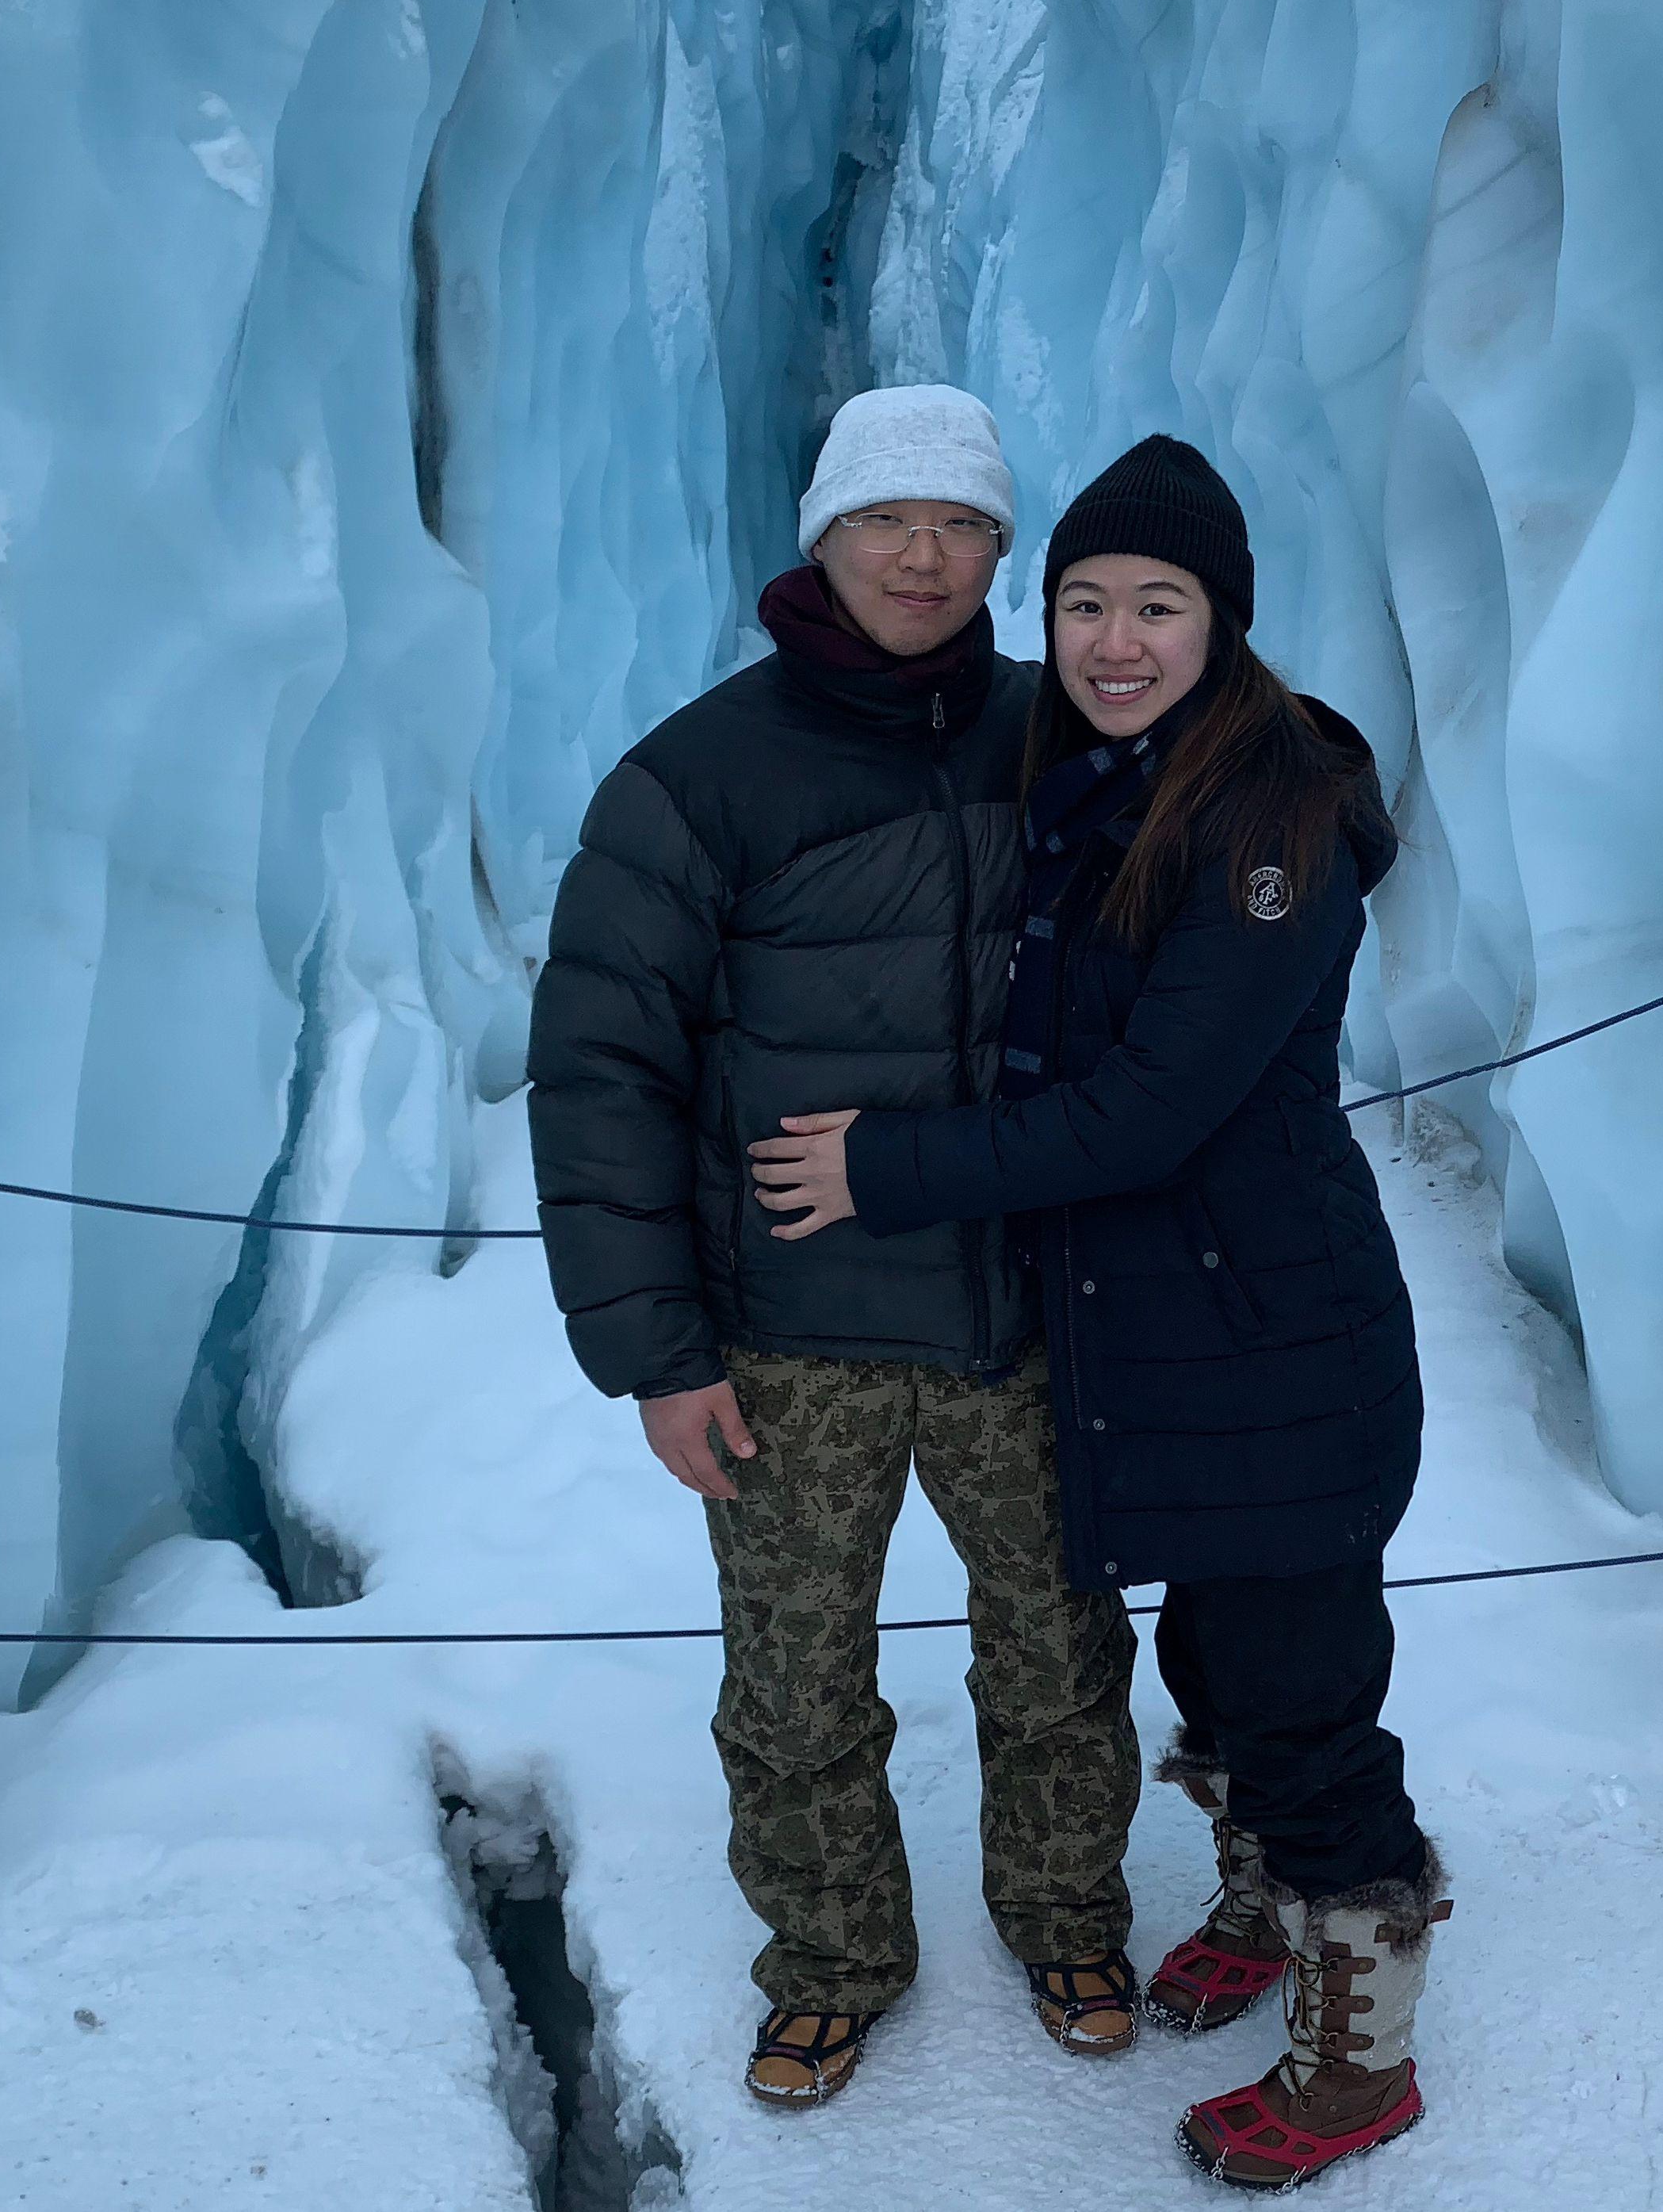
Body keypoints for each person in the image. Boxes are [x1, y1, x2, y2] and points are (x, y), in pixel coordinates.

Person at [748, 434, 1448, 2192]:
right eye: (1083, 603)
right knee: (1218, 1660)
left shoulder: (1270, 818)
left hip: (1273, 1341)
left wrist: (887, 1165)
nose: (1114, 640)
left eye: (1158, 605)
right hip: (1173, 1336)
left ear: (1225, 621)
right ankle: (1265, 1902)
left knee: (1300, 1699)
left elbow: (1151, 1108)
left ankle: (1357, 2056)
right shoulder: (1111, 777)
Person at [525, 384, 1145, 2111]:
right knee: (795, 1688)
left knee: (1061, 1658)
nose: (923, 555)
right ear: (824, 534)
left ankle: (1068, 1919)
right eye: (887, 518)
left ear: (1003, 551)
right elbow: (602, 1073)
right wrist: (657, 1355)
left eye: (962, 525)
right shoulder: (697, 777)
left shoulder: (1062, 737)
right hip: (790, 1331)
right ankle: (831, 1962)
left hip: (1023, 1312)